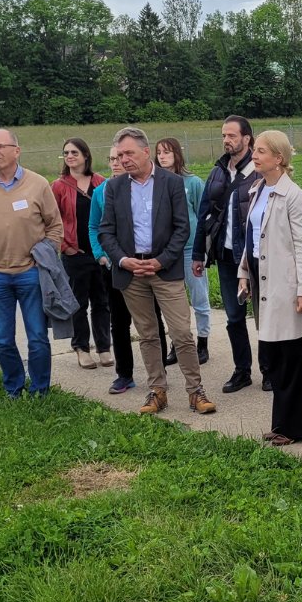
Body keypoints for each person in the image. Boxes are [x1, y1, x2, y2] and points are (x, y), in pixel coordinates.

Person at [98, 127, 217, 416]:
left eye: (129, 153)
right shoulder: (114, 187)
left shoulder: (171, 182)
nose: (123, 159)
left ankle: (195, 391)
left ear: (145, 151)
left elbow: (182, 228)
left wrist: (162, 260)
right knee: (148, 334)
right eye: (120, 155)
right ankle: (157, 391)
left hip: (164, 270)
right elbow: (106, 231)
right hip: (131, 273)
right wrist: (123, 260)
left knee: (181, 333)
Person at [0, 129, 63, 398]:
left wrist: (43, 258)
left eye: (0, 146)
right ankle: (14, 387)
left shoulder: (38, 184)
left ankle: (40, 389)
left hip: (32, 273)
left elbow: (55, 226)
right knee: (2, 339)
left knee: (37, 337)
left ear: (16, 151)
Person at [237, 130, 302, 446]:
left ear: (279, 158)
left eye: (261, 151)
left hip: (286, 282)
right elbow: (252, 237)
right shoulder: (258, 189)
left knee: (291, 355)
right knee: (273, 354)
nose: (254, 156)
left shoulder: (292, 194)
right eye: (254, 150)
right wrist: (244, 271)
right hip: (262, 276)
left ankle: (297, 427)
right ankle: (281, 422)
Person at [88, 147, 168, 395]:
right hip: (116, 266)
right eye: (112, 158)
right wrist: (101, 255)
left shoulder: (146, 188)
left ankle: (160, 371)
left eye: (122, 157)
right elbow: (94, 227)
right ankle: (124, 374)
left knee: (153, 319)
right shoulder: (101, 192)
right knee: (119, 322)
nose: (117, 162)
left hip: (145, 265)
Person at [192, 115, 262, 393]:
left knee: (264, 317)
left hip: (255, 257)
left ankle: (270, 371)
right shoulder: (218, 172)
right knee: (234, 317)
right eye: (224, 135)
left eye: (231, 135)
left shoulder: (259, 171)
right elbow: (203, 215)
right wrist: (198, 253)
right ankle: (242, 370)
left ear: (247, 138)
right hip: (226, 256)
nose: (226, 140)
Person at [51, 137, 112, 370]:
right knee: (78, 302)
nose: (69, 156)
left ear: (85, 155)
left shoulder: (101, 182)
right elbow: (52, 220)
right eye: (66, 153)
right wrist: (65, 246)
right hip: (75, 253)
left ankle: (104, 347)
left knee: (102, 301)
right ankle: (81, 347)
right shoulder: (58, 186)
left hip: (100, 252)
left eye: (74, 152)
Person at [156, 136, 210, 365]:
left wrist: (202, 249)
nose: (162, 156)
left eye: (167, 152)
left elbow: (203, 215)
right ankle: (178, 343)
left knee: (199, 297)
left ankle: (203, 342)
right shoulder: (156, 184)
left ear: (177, 154)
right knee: (172, 303)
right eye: (159, 152)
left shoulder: (193, 182)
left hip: (190, 250)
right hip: (168, 253)